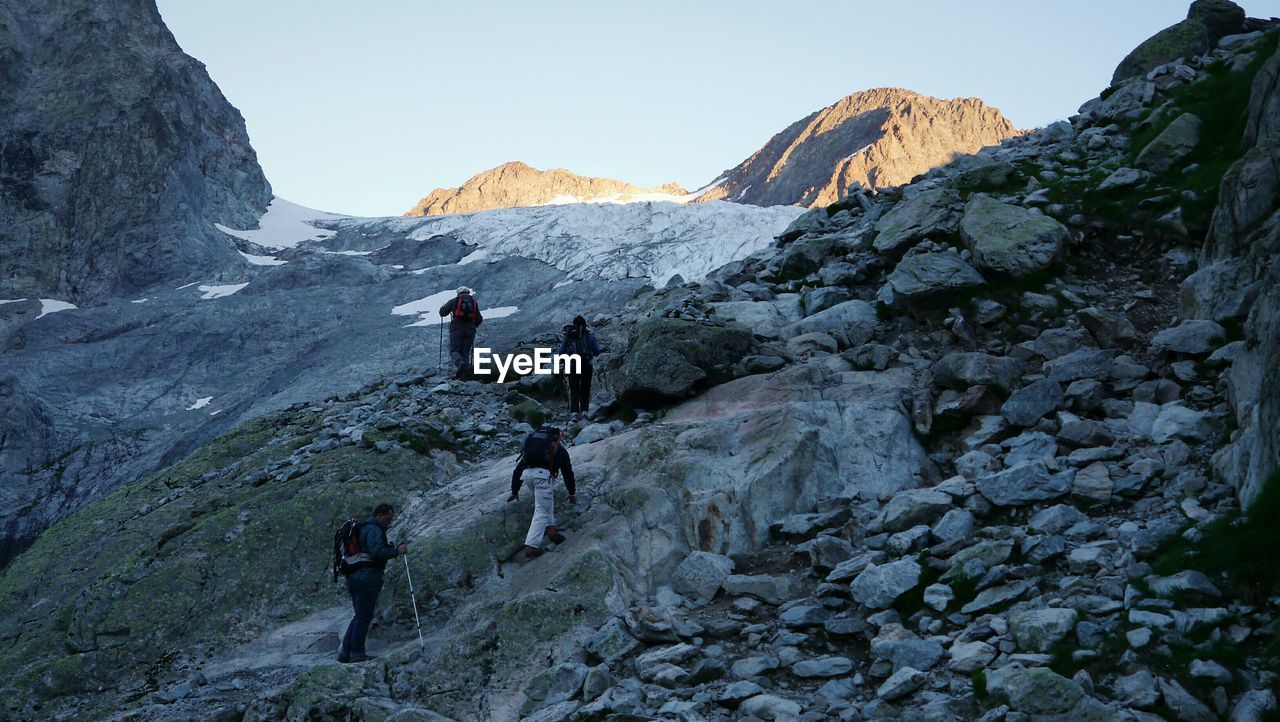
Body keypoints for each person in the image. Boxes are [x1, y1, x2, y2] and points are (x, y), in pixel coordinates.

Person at [338, 503, 408, 663]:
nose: (389, 522)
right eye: (388, 519)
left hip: (354, 578)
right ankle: (357, 653)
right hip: (367, 578)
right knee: (363, 617)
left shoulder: (363, 528)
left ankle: (346, 653)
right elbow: (377, 552)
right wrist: (396, 551)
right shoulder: (373, 530)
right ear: (379, 515)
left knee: (359, 616)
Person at [507, 426, 576, 559]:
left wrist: (514, 491)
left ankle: (552, 531)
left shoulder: (532, 449)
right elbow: (568, 473)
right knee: (541, 511)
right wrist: (572, 492)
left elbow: (518, 470)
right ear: (557, 438)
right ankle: (531, 547)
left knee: (544, 504)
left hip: (527, 476)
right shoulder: (558, 449)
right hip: (542, 477)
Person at [557, 315, 603, 421]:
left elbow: (561, 352)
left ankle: (574, 413)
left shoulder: (568, 335)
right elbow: (596, 350)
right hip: (586, 364)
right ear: (584, 324)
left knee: (574, 388)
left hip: (572, 365)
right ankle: (584, 412)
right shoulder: (588, 335)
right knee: (585, 388)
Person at [438, 287, 483, 376]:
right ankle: (465, 374)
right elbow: (479, 318)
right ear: (468, 293)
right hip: (470, 329)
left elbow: (443, 313)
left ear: (458, 293)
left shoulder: (454, 301)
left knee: (454, 350)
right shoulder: (473, 302)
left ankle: (460, 363)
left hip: (456, 328)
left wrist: (442, 308)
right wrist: (474, 326)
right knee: (465, 352)